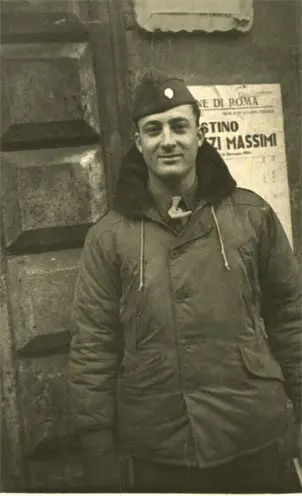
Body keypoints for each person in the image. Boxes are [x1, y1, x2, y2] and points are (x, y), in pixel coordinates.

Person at [69, 70, 302, 493]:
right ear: (138, 143)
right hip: (161, 450)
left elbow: (291, 318)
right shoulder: (109, 237)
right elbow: (93, 347)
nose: (168, 140)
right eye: (153, 130)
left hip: (252, 437)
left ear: (201, 134)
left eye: (179, 126)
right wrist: (99, 453)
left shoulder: (252, 216)